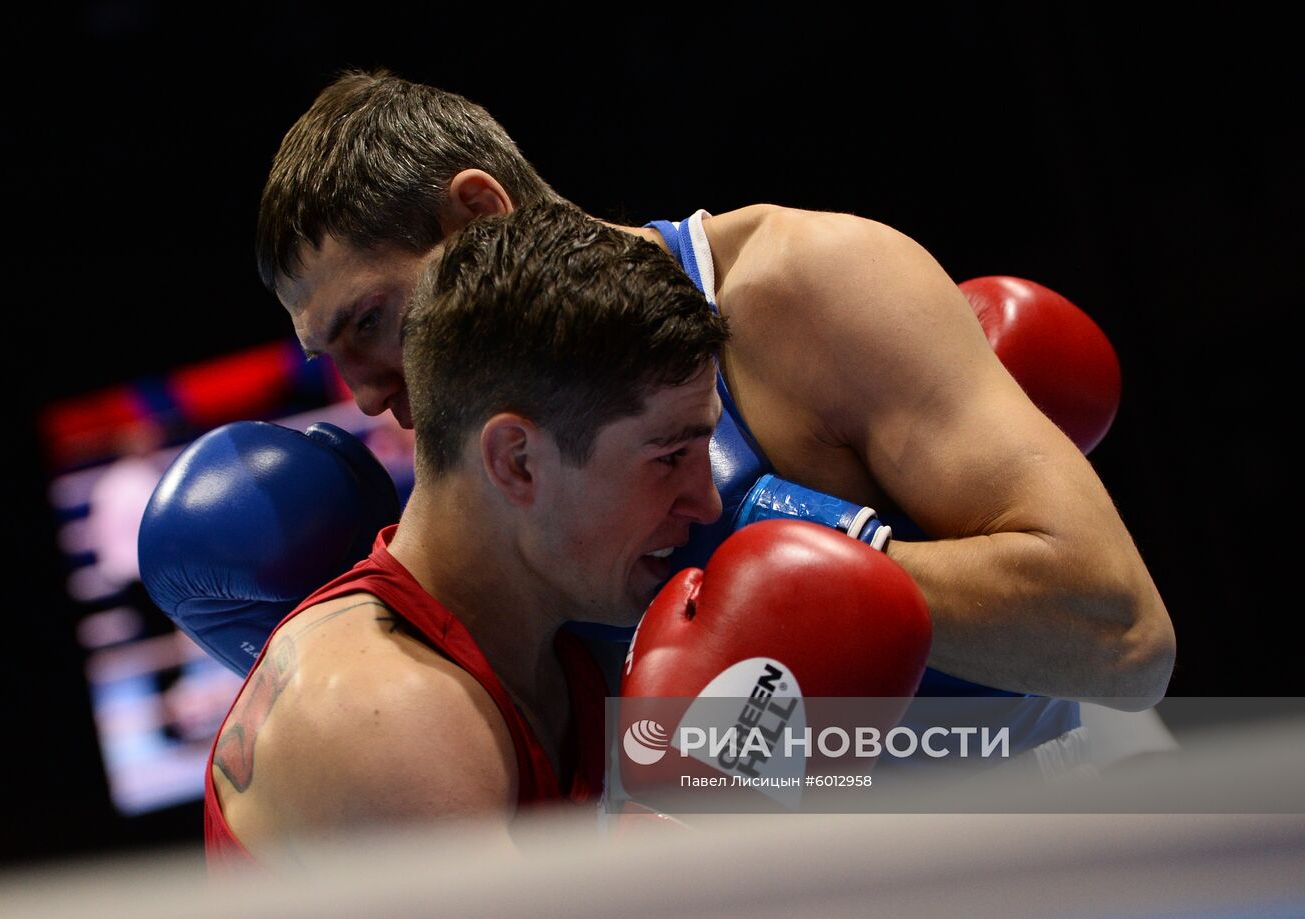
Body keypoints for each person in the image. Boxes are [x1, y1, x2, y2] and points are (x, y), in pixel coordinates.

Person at [253, 71, 1174, 738]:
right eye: (330, 356)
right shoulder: (477, 471)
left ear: (477, 218)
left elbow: (1126, 639)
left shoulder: (807, 288)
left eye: (369, 320)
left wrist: (781, 552)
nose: (367, 391)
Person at [202, 204, 931, 867]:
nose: (710, 503)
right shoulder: (382, 714)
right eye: (669, 455)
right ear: (517, 460)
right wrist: (688, 819)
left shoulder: (560, 649)